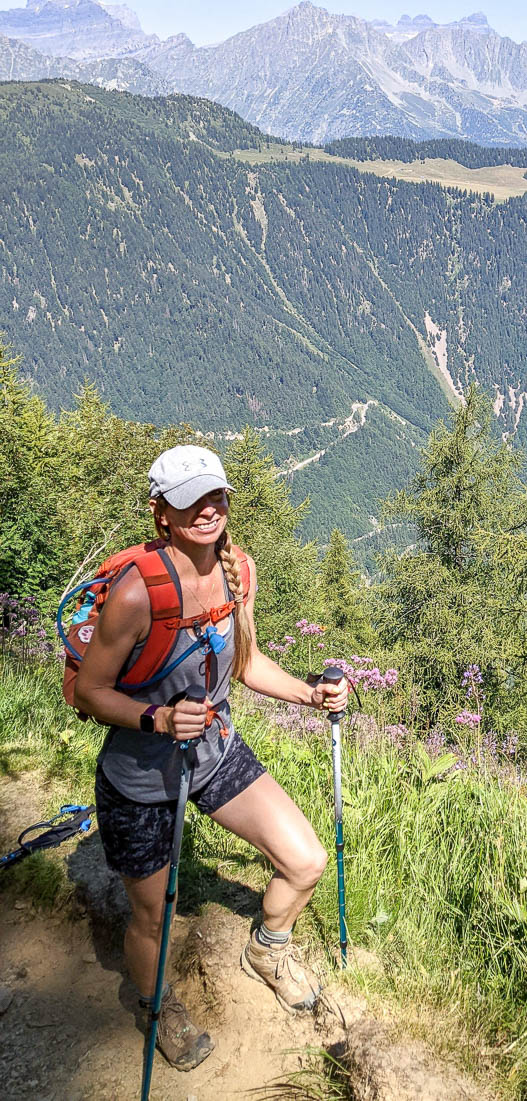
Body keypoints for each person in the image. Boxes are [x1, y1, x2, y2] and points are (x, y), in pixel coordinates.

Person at [74, 445, 348, 1072]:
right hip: (141, 773)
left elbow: (246, 664)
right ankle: (155, 1004)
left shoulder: (239, 572)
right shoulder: (137, 595)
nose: (206, 510)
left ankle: (268, 949)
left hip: (214, 751)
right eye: (189, 500)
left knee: (305, 859)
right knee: (154, 914)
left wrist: (312, 694)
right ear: (160, 513)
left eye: (215, 496)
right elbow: (90, 692)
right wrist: (157, 717)